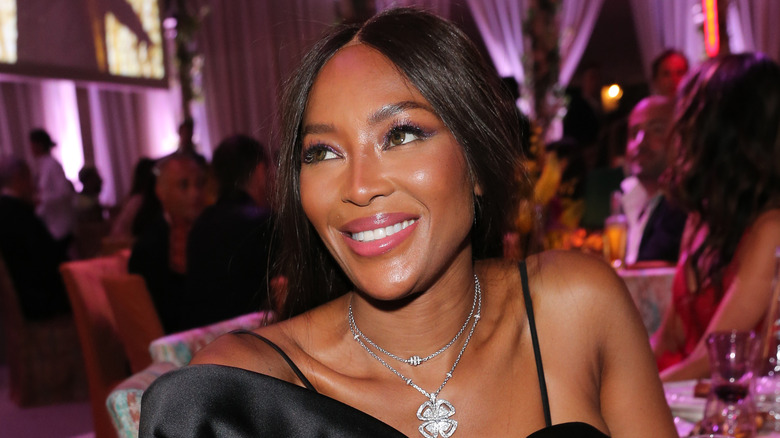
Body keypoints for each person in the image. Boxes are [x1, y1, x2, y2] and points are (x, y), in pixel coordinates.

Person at [140, 9, 675, 437]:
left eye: (400, 135)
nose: (358, 186)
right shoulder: (241, 396)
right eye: (323, 151)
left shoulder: (576, 309)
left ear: (478, 164)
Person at [652, 53, 780, 381]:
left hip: (720, 408)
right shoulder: (702, 218)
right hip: (678, 396)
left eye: (692, 117)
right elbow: (670, 337)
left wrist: (631, 396)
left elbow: (716, 359)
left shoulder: (771, 228)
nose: (681, 132)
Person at [185, 134, 275, 328]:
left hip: (206, 342)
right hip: (255, 340)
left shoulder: (199, 225)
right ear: (260, 172)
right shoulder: (265, 223)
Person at [128, 153, 206, 334]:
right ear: (161, 192)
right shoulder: (149, 246)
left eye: (200, 184)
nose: (195, 193)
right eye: (183, 185)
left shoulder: (212, 229)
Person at [0, 156, 70, 320]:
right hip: (41, 303)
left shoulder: (7, 211)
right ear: (19, 177)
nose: (35, 186)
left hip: (15, 308)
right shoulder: (21, 215)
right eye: (31, 178)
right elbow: (48, 261)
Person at [620, 96, 686, 266]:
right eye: (634, 133)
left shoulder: (684, 207)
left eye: (656, 129)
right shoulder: (629, 203)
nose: (640, 142)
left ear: (682, 137)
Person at [29, 128, 76, 255]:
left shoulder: (53, 165)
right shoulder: (41, 166)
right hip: (50, 222)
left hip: (59, 225)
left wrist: (41, 199)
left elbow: (65, 192)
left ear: (39, 145)